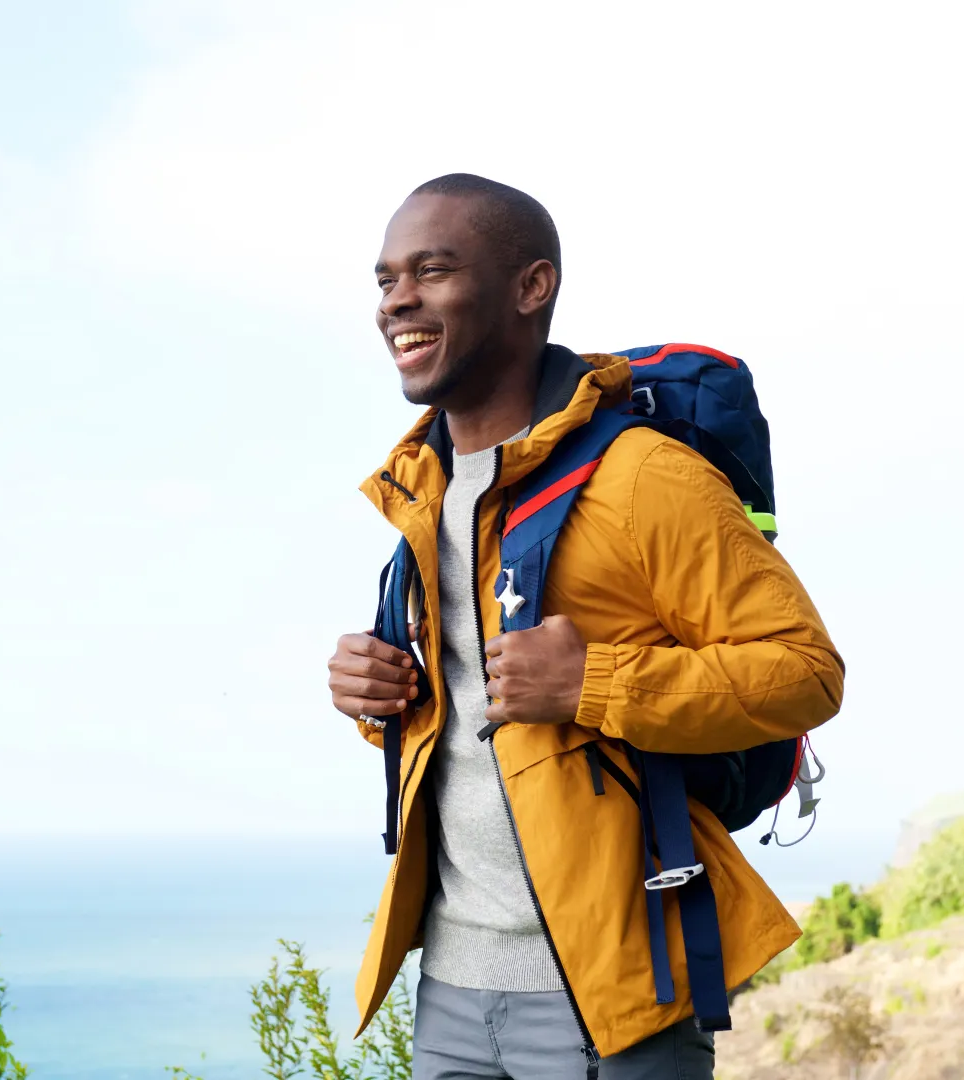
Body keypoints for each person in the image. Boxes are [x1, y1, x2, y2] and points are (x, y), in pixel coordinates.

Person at [326, 173, 845, 1080]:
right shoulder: (422, 490)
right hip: (447, 990)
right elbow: (478, 724)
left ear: (532, 287)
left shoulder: (645, 477)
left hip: (610, 996)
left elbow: (806, 672)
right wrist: (381, 696)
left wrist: (594, 683)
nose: (397, 301)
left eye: (433, 270)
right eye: (385, 280)